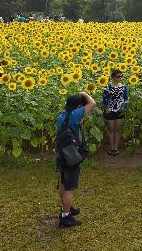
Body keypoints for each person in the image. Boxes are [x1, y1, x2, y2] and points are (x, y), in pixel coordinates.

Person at [56, 92, 96, 228]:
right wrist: (83, 94)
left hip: (62, 154)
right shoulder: (75, 115)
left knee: (63, 182)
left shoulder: (62, 116)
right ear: (78, 106)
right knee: (69, 187)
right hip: (71, 157)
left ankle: (65, 208)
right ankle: (65, 217)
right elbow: (93, 104)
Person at [103, 70, 129, 156]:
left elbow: (126, 99)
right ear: (113, 77)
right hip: (110, 110)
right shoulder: (108, 86)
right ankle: (111, 148)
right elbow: (105, 98)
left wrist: (125, 108)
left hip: (120, 110)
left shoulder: (124, 87)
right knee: (111, 130)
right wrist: (106, 108)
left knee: (117, 130)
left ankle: (116, 148)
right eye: (118, 76)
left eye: (121, 76)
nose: (120, 78)